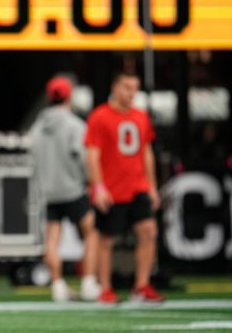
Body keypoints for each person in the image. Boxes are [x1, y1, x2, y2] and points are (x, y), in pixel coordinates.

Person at [84, 72, 164, 303]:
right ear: (115, 87)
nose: (131, 93)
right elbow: (92, 154)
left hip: (137, 185)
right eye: (127, 87)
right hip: (113, 188)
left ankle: (141, 285)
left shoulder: (140, 116)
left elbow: (147, 152)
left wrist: (152, 186)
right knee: (107, 239)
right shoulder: (100, 116)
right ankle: (105, 288)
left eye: (134, 88)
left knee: (148, 232)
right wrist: (98, 187)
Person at [28, 76, 100, 302]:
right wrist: (91, 182)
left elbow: (30, 156)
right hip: (72, 189)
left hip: (47, 191)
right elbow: (84, 158)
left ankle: (58, 285)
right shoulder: (75, 124)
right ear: (69, 96)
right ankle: (89, 282)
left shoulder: (37, 127)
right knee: (91, 232)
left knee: (52, 238)